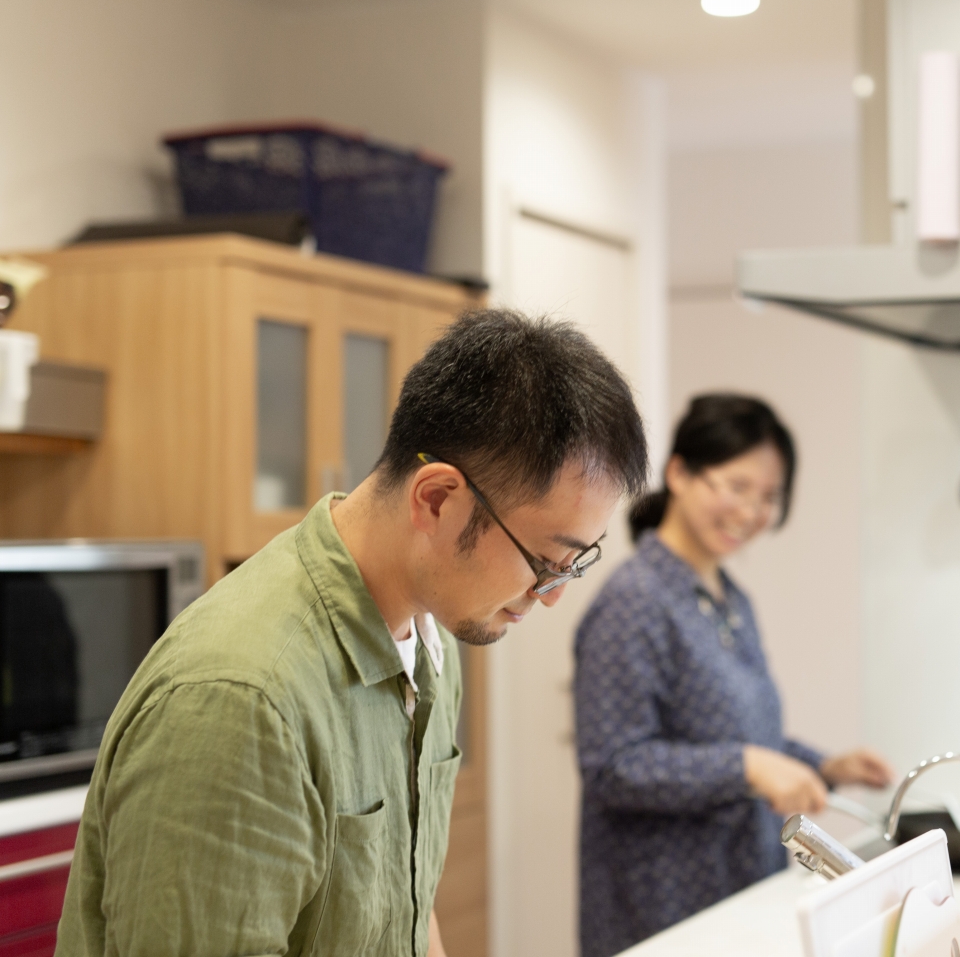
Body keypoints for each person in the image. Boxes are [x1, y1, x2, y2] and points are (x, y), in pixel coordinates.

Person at [56, 310, 648, 957]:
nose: (554, 595)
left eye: (574, 564)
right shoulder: (242, 700)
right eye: (544, 560)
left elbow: (407, 906)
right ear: (437, 500)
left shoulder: (430, 638)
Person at [573, 394, 895, 957]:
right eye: (736, 486)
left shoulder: (731, 600)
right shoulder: (634, 602)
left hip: (739, 889)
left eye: (769, 496)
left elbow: (743, 735)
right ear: (679, 473)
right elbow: (613, 767)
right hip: (662, 909)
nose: (751, 511)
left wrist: (824, 765)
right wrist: (746, 766)